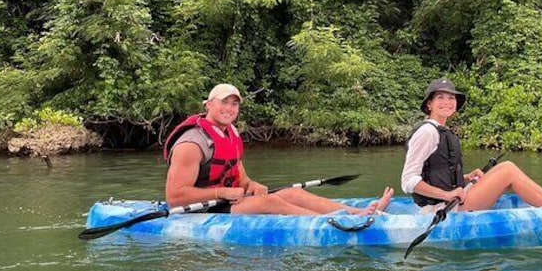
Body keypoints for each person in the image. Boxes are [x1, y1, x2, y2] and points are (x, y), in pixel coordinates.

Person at [165, 83, 393, 215]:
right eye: (224, 102)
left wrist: (251, 185)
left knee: (292, 193)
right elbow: (175, 197)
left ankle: (357, 214)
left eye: (235, 104)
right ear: (209, 105)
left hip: (230, 201)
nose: (229, 108)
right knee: (270, 202)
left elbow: (241, 178)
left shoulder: (230, 133)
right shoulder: (192, 143)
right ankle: (335, 224)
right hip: (201, 209)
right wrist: (220, 193)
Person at [401, 78, 542, 213]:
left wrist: (466, 177)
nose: (447, 102)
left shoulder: (441, 130)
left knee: (504, 166)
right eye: (440, 97)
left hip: (452, 202)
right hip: (442, 210)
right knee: (508, 171)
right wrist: (447, 195)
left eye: (451, 98)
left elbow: (436, 174)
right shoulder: (427, 132)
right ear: (430, 104)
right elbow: (408, 181)